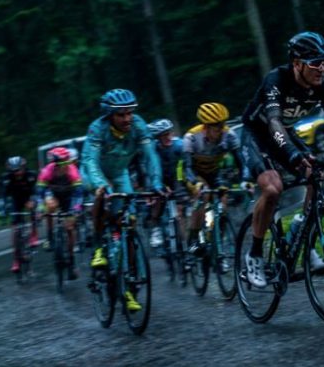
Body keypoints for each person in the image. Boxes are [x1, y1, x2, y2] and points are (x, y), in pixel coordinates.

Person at [240, 31, 324, 288]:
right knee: (272, 188)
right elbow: (274, 122)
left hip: (284, 133)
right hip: (258, 133)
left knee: (315, 173)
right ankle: (255, 255)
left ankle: (301, 236)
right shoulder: (276, 80)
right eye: (315, 62)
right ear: (297, 63)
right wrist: (293, 154)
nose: (321, 68)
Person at [81, 88, 163, 311]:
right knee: (102, 198)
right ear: (109, 115)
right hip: (94, 172)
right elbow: (90, 161)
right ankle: (99, 248)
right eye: (121, 115)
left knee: (128, 222)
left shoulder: (138, 125)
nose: (127, 118)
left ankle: (129, 284)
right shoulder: (97, 129)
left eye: (129, 113)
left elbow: (150, 156)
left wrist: (156, 183)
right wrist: (100, 185)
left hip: (119, 173)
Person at [182, 103, 250, 250]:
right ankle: (193, 237)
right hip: (195, 173)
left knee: (223, 197)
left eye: (222, 125)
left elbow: (241, 162)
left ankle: (218, 239)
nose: (221, 129)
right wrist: (195, 183)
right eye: (217, 126)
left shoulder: (229, 135)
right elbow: (187, 167)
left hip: (214, 172)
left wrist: (245, 180)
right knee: (203, 196)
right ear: (206, 127)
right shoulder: (191, 137)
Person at [36, 146, 84, 279]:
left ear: (67, 163)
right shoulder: (47, 171)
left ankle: (72, 262)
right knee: (50, 207)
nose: (58, 168)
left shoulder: (73, 172)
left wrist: (75, 210)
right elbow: (39, 193)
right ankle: (50, 236)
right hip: (54, 195)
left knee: (69, 227)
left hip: (70, 198)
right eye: (55, 165)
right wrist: (40, 208)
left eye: (60, 165)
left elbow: (79, 195)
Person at [146, 118, 186, 250]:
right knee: (158, 201)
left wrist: (182, 184)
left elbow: (184, 167)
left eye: (169, 133)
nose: (168, 137)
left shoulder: (179, 145)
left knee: (179, 212)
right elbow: (150, 170)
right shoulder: (153, 149)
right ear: (157, 138)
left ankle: (184, 242)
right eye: (164, 135)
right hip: (160, 178)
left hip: (177, 177)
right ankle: (156, 227)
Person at [0, 156, 38, 273]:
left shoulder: (31, 175)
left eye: (19, 170)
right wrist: (2, 211)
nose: (17, 174)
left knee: (32, 209)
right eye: (14, 171)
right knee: (15, 230)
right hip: (16, 200)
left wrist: (34, 202)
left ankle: (34, 233)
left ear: (24, 167)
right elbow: (2, 196)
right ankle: (16, 260)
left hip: (29, 197)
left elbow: (37, 191)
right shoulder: (6, 178)